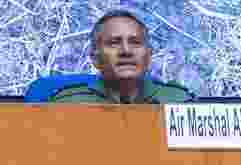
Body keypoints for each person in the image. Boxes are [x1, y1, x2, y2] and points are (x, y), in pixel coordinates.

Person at [48, 9, 196, 104]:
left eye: (135, 42)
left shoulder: (179, 103)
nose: (126, 51)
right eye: (114, 43)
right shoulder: (68, 104)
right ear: (95, 58)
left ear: (149, 55)